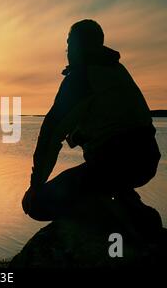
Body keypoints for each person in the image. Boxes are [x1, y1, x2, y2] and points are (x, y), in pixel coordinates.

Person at [22, 19, 161, 221]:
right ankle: (121, 199)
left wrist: (35, 186)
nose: (67, 50)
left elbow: (50, 134)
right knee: (98, 177)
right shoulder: (116, 70)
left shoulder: (81, 78)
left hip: (114, 165)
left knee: (37, 205)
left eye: (69, 43)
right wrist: (80, 135)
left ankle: (115, 214)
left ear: (77, 46)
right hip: (147, 160)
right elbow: (117, 119)